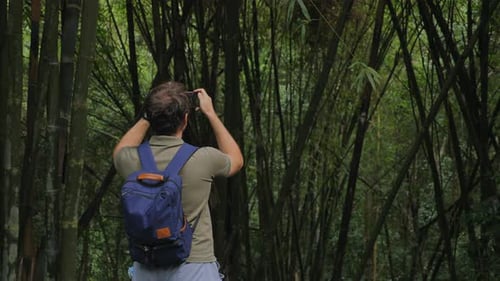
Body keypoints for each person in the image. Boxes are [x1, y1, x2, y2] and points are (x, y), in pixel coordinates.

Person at [113, 81, 244, 281]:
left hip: (147, 266)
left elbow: (119, 151)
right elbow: (236, 160)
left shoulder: (131, 160)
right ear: (185, 119)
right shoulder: (203, 158)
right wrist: (210, 113)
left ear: (151, 116)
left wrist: (148, 116)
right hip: (194, 266)